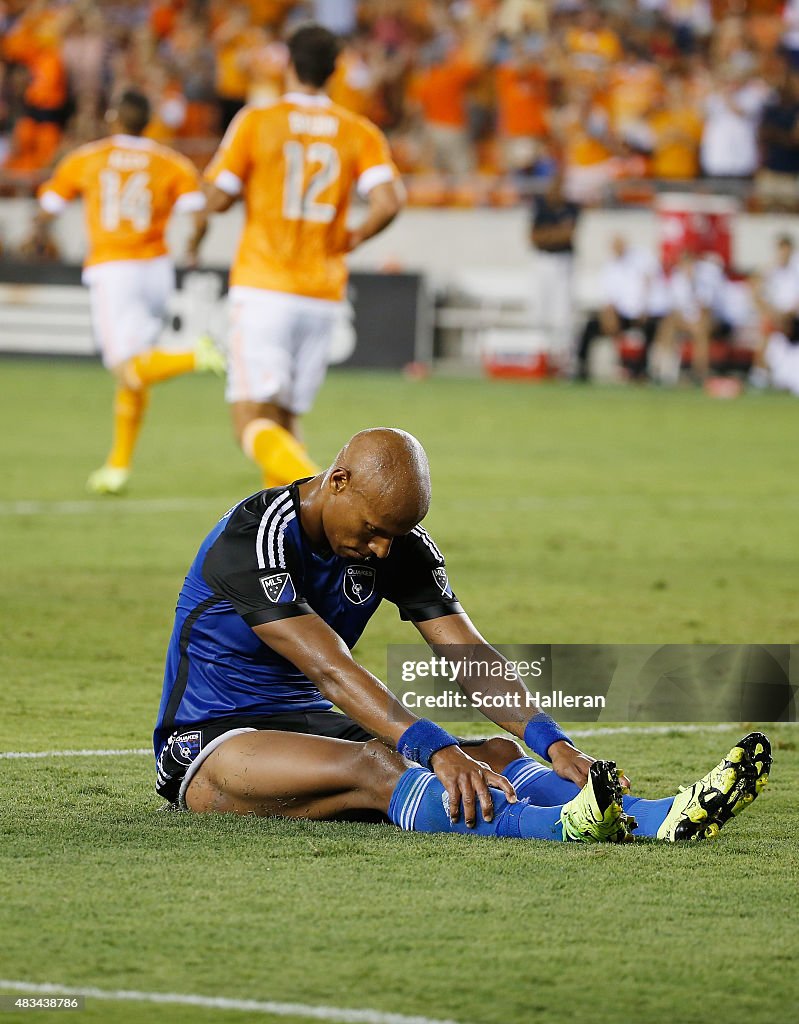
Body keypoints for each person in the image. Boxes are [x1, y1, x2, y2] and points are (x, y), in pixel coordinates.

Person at [153, 426, 771, 844]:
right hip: (212, 748)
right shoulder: (255, 539)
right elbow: (331, 669)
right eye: (372, 530)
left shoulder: (395, 543)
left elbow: (470, 655)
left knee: (498, 757)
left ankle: (657, 818)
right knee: (382, 762)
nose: (381, 549)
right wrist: (439, 748)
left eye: (394, 536)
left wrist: (554, 742)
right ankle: (561, 829)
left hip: (313, 730)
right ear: (337, 481)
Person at [203, 24, 405, 489]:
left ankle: (329, 489)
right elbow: (389, 201)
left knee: (250, 420)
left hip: (264, 286)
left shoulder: (258, 120)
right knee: (285, 419)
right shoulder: (357, 130)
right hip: (321, 293)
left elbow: (216, 197)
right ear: (333, 73)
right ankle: (289, 544)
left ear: (288, 64)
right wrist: (353, 236)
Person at [32, 88, 222, 495]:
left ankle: (196, 353)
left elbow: (48, 205)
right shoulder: (169, 161)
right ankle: (118, 466)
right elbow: (198, 212)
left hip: (114, 268)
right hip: (155, 268)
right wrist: (194, 244)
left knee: (125, 366)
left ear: (115, 118)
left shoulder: (88, 157)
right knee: (135, 375)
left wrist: (38, 233)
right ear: (147, 121)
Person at [575, 234, 668, 381]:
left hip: (645, 312)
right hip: (622, 314)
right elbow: (608, 298)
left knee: (652, 328)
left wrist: (644, 308)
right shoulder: (610, 267)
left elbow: (650, 284)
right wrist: (609, 316)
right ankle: (581, 367)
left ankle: (642, 370)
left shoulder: (641, 258)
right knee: (590, 327)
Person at [529, 167, 581, 373]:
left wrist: (549, 235)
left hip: (563, 262)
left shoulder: (572, 207)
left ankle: (562, 361)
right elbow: (534, 237)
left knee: (563, 314)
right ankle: (539, 357)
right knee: (539, 310)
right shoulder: (541, 206)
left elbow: (567, 235)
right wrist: (555, 234)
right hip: (543, 260)